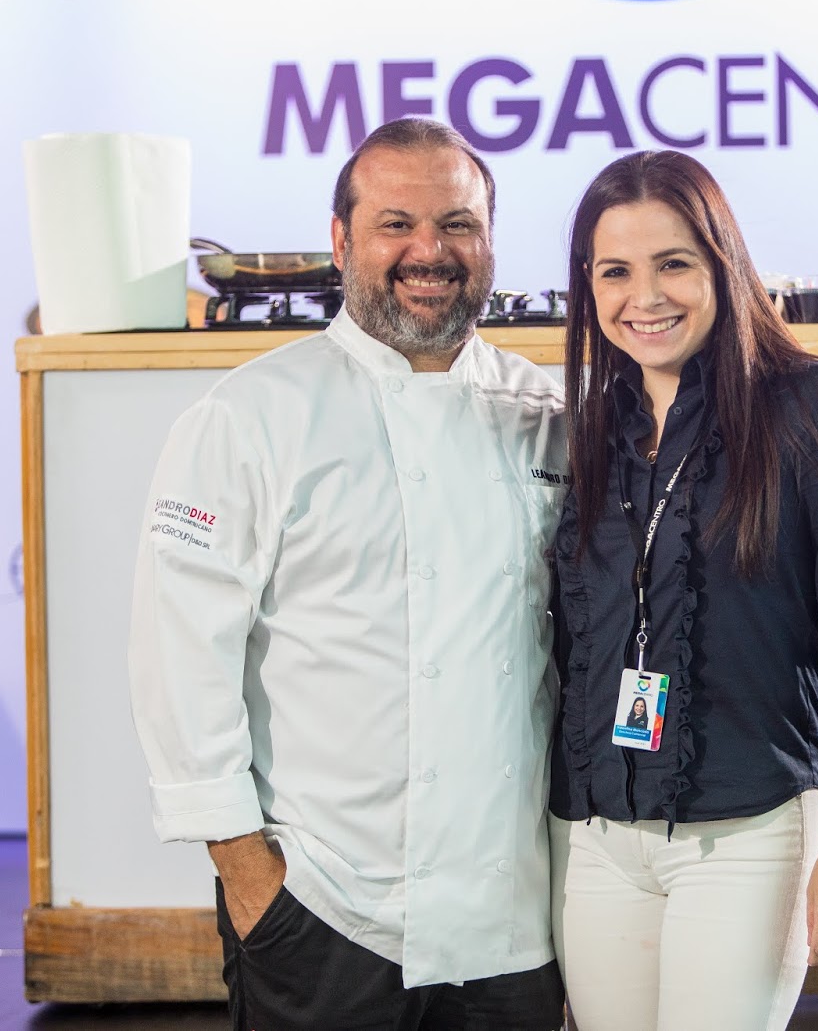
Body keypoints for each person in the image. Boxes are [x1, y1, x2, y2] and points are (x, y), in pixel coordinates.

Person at [128, 117, 567, 1031]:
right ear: (340, 241)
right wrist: (252, 880)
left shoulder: (548, 414)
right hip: (325, 912)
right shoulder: (250, 416)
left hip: (512, 924)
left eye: (457, 224)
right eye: (395, 223)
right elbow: (181, 659)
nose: (429, 251)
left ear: (490, 240)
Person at [548, 150, 818, 1031]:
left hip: (750, 835)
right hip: (597, 840)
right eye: (616, 272)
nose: (646, 296)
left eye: (673, 264)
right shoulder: (592, 427)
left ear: (724, 265)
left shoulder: (816, 406)